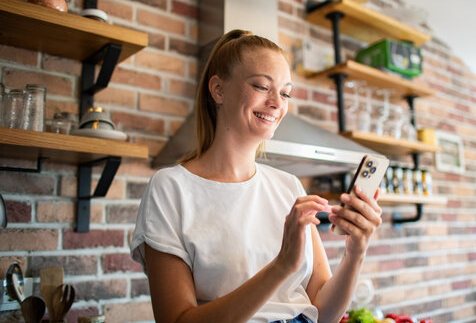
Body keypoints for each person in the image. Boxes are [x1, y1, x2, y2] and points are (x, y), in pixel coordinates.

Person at [130, 29, 382, 323]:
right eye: (262, 86)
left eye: (285, 92)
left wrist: (355, 254)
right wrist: (281, 267)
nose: (277, 102)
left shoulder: (289, 186)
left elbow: (325, 313)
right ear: (219, 90)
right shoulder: (171, 188)